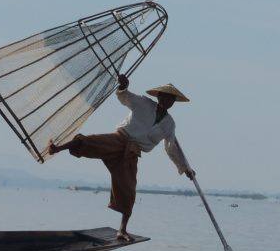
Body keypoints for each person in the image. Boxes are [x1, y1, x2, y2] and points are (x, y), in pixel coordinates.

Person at [48, 74, 195, 242]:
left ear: (173, 102)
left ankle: (122, 230)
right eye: (165, 97)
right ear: (159, 96)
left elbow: (171, 147)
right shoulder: (144, 103)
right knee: (89, 141)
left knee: (129, 190)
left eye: (171, 99)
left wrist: (185, 169)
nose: (167, 101)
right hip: (119, 139)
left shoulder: (169, 124)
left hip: (132, 153)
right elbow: (125, 97)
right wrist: (123, 86)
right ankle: (57, 148)